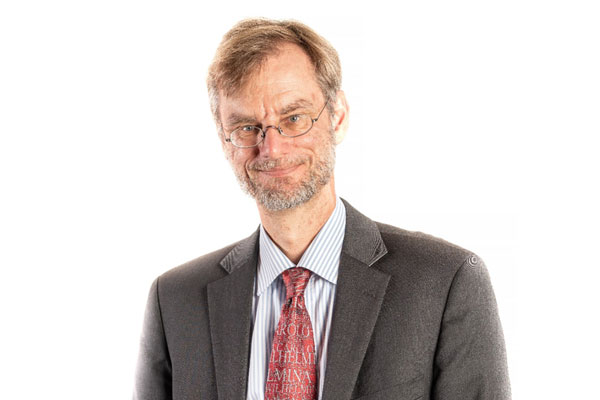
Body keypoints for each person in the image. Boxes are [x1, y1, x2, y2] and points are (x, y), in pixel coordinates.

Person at [134, 18, 511, 400]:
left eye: (293, 118)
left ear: (338, 116)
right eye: (247, 127)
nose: (271, 148)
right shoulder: (175, 301)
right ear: (223, 139)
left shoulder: (445, 282)